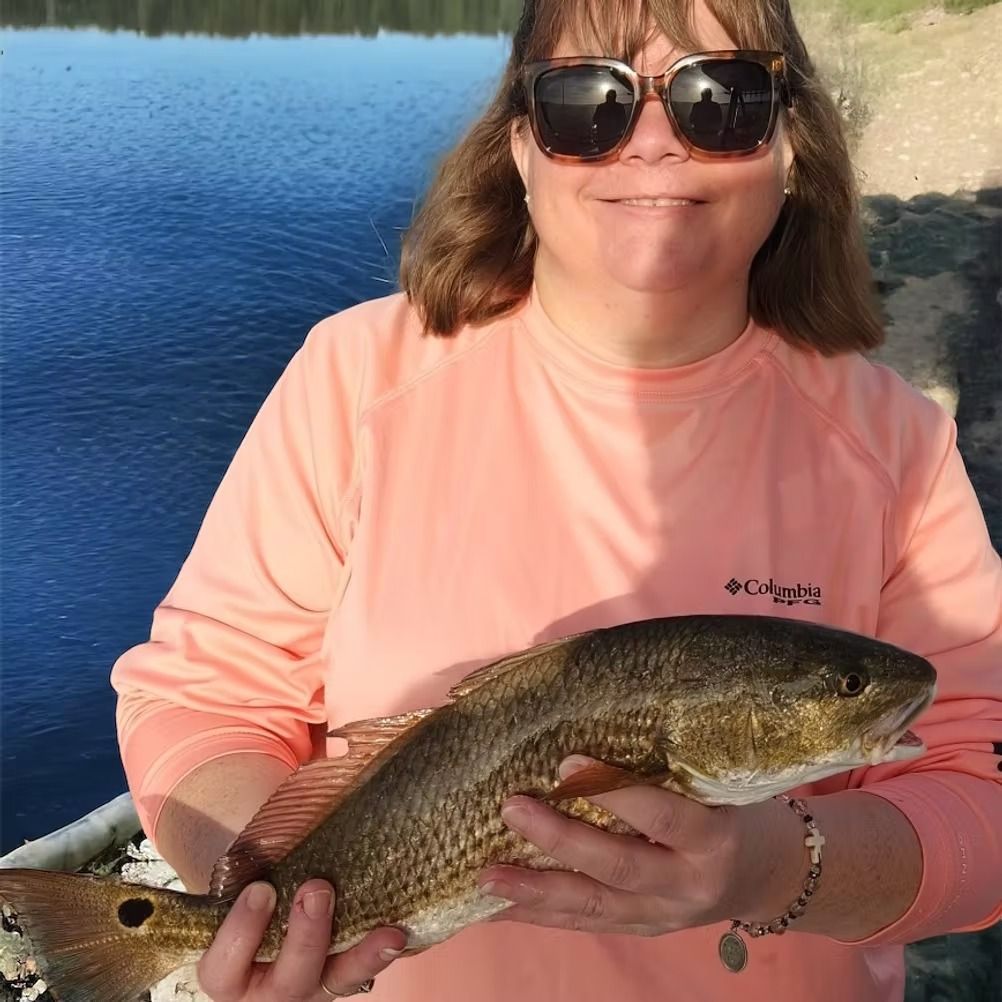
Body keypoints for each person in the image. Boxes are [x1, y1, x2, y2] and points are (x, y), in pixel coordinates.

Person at [110, 0, 1002, 1000]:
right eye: (589, 104)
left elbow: (981, 800)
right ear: (522, 148)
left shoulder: (895, 445)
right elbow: (207, 694)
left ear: (792, 145)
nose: (656, 143)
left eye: (723, 100)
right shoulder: (355, 382)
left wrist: (773, 865)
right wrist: (269, 909)